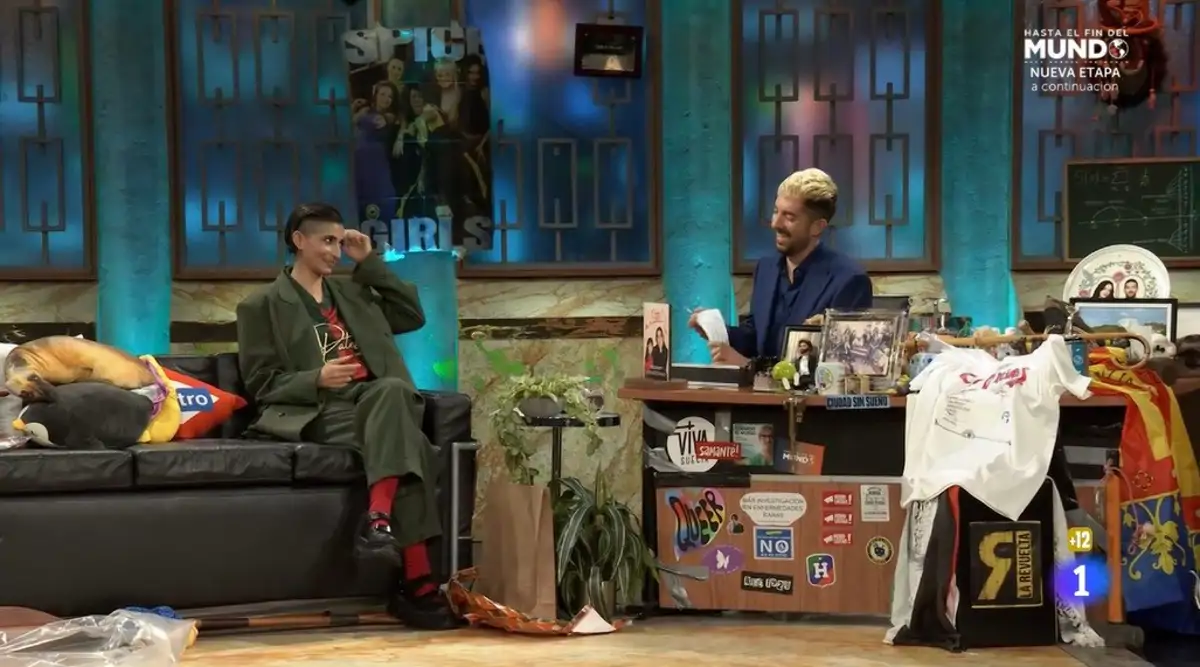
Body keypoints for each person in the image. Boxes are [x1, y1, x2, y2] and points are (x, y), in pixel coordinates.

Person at [234, 202, 458, 630]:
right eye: (327, 241)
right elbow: (261, 385)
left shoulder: (354, 292)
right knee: (410, 441)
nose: (335, 252)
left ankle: (380, 521)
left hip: (376, 401)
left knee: (391, 393)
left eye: (340, 242)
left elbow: (412, 315)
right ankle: (418, 584)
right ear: (299, 241)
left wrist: (368, 261)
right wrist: (316, 378)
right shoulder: (261, 305)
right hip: (321, 409)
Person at [689, 169, 872, 365]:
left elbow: (838, 369)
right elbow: (755, 337)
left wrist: (745, 366)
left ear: (817, 227)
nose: (775, 224)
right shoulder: (766, 269)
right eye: (776, 211)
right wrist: (718, 331)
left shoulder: (849, 281)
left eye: (790, 217)